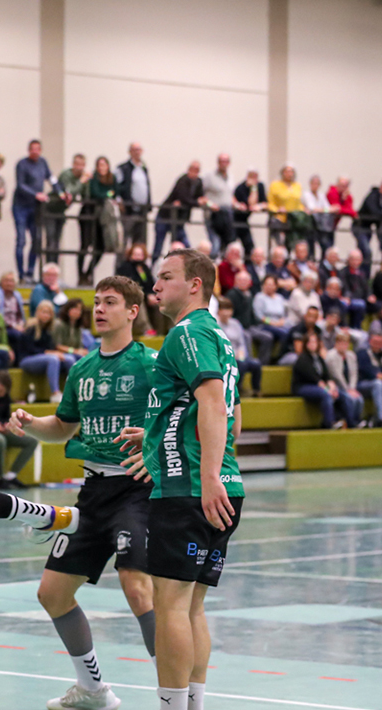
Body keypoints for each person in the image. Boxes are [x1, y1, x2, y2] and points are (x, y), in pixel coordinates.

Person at [5, 276, 158, 710]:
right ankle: (92, 690)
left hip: (137, 489)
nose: (99, 309)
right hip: (93, 492)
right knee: (52, 592)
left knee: (137, 587)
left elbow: (181, 417)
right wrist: (32, 424)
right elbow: (63, 426)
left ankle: (175, 697)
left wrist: (155, 450)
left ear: (132, 311)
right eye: (96, 302)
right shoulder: (82, 369)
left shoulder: (151, 365)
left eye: (110, 302)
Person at [118, 247, 244, 710]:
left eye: (166, 277)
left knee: (170, 605)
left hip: (189, 489)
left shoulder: (186, 332)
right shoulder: (219, 336)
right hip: (223, 485)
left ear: (195, 285)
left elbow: (212, 403)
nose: (155, 286)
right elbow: (230, 416)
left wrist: (205, 476)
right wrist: (155, 435)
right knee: (192, 607)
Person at [13, 139, 53, 282]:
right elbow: (21, 185)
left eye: (37, 149)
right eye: (32, 149)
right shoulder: (22, 164)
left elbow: (52, 179)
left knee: (37, 239)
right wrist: (36, 194)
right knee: (21, 240)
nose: (35, 152)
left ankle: (30, 272)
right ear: (29, 150)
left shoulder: (43, 163)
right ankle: (21, 274)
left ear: (40, 150)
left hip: (35, 208)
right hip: (21, 206)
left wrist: (62, 192)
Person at [292, 332, 350, 429]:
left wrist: (332, 387)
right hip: (303, 387)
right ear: (306, 344)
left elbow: (326, 376)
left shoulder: (319, 358)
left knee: (342, 395)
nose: (313, 344)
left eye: (315, 342)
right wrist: (328, 390)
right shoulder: (302, 359)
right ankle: (329, 424)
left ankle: (350, 423)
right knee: (326, 394)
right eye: (310, 342)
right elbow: (315, 379)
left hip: (319, 386)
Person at [153, 161, 207, 260]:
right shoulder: (183, 180)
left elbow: (200, 197)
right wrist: (196, 202)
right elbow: (184, 198)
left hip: (179, 219)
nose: (194, 172)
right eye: (193, 169)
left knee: (185, 245)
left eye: (197, 170)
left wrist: (200, 201)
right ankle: (154, 265)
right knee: (159, 244)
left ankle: (190, 264)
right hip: (165, 216)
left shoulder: (198, 182)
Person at [82, 156, 119, 285]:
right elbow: (96, 193)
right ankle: (81, 275)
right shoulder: (94, 178)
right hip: (91, 215)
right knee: (85, 246)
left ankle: (88, 273)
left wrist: (107, 194)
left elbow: (116, 191)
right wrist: (108, 194)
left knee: (101, 247)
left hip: (104, 218)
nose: (102, 168)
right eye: (99, 165)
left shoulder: (112, 178)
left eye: (104, 165)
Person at [19, 301, 65, 402]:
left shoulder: (49, 329)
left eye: (49, 313)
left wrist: (55, 352)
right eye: (44, 312)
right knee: (53, 359)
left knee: (68, 359)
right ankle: (55, 393)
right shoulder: (31, 327)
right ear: (38, 312)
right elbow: (30, 349)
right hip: (27, 359)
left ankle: (72, 393)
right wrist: (49, 352)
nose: (46, 315)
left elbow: (51, 347)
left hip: (43, 358)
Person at [217, 298, 261, 397]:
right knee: (241, 365)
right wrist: (232, 355)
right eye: (223, 309)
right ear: (218, 311)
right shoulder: (215, 325)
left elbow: (241, 343)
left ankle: (256, 390)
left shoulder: (235, 323)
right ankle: (236, 389)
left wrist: (241, 354)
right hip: (225, 357)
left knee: (256, 364)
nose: (226, 312)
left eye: (228, 309)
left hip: (238, 355)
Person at [54, 154, 90, 271]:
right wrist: (82, 181)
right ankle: (51, 270)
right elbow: (70, 191)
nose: (79, 167)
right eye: (77, 164)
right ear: (73, 164)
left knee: (57, 242)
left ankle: (54, 270)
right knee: (52, 243)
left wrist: (87, 183)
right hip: (52, 209)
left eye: (82, 165)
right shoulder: (66, 174)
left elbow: (86, 197)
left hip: (62, 211)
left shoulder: (83, 177)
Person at [324, 331, 366, 429]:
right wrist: (348, 390)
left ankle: (357, 420)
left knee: (359, 399)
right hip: (334, 385)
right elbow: (337, 375)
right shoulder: (331, 356)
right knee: (349, 398)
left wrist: (352, 388)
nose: (343, 345)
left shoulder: (351, 355)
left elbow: (354, 374)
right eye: (341, 343)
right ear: (336, 343)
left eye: (345, 343)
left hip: (349, 387)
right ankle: (350, 422)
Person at [114, 142, 151, 249]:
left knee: (140, 241)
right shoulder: (123, 168)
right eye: (134, 150)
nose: (137, 152)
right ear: (130, 152)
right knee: (124, 239)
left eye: (139, 150)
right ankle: (121, 260)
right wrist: (119, 200)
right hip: (129, 209)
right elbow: (115, 187)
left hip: (142, 210)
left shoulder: (143, 168)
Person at [117, 243, 159, 335]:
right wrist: (147, 295)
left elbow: (151, 283)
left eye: (140, 255)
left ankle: (161, 330)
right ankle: (146, 329)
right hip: (132, 295)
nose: (138, 257)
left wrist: (152, 294)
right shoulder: (125, 267)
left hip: (147, 295)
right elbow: (132, 284)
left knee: (160, 302)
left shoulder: (145, 268)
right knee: (139, 302)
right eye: (135, 254)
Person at [202, 153, 236, 251]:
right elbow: (201, 196)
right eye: (221, 161)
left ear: (229, 163)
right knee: (215, 244)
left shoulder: (230, 177)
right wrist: (210, 204)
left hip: (227, 216)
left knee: (227, 245)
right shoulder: (209, 176)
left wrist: (237, 204)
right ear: (218, 162)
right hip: (213, 215)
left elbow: (229, 195)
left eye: (226, 161)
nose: (223, 164)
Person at [267, 164, 306, 248]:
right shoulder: (275, 185)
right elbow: (270, 203)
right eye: (287, 171)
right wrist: (277, 209)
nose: (289, 174)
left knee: (296, 242)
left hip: (293, 218)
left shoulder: (297, 185)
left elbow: (298, 203)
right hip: (279, 218)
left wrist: (304, 209)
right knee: (281, 243)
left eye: (291, 172)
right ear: (282, 173)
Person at [232, 168, 266, 257]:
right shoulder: (241, 187)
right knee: (232, 244)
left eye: (255, 176)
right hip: (235, 220)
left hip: (244, 220)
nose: (254, 179)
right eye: (251, 176)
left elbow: (265, 203)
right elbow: (251, 203)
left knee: (249, 246)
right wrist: (253, 188)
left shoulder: (260, 186)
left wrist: (260, 206)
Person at [303, 174, 336, 259]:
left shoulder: (321, 195)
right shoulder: (306, 194)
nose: (315, 185)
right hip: (311, 225)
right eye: (313, 183)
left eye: (317, 183)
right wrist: (325, 210)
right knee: (311, 246)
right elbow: (312, 208)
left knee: (325, 245)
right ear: (310, 184)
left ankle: (323, 261)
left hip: (321, 225)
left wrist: (322, 210)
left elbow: (327, 207)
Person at [53, 298, 90, 370]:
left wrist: (83, 351)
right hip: (60, 355)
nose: (77, 312)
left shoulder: (78, 328)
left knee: (87, 359)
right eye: (75, 308)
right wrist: (74, 351)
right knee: (71, 360)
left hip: (74, 354)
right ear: (68, 309)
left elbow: (79, 346)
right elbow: (57, 346)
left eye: (80, 310)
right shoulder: (59, 324)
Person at [0, 270, 28, 345]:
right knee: (18, 335)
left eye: (11, 281)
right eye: (6, 281)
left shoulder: (17, 295)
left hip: (17, 326)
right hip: (2, 327)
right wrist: (14, 326)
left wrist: (21, 325)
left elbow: (19, 315)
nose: (9, 283)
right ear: (1, 282)